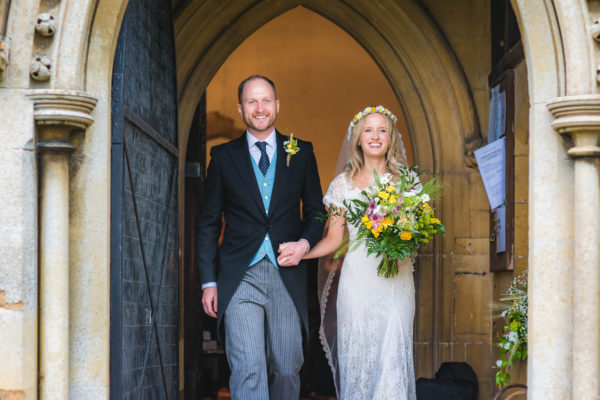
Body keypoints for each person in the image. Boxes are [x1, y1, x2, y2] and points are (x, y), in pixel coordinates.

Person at [195, 74, 325, 399]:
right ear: (240, 109)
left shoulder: (302, 152)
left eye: (266, 100)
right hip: (240, 276)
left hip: (287, 274)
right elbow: (209, 223)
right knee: (249, 369)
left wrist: (304, 244)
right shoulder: (223, 157)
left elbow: (316, 213)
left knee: (286, 367)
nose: (260, 107)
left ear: (277, 105)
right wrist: (208, 282)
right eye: (252, 101)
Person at [279, 106, 416, 399]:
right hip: (357, 286)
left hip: (396, 286)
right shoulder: (342, 185)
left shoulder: (408, 182)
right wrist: (300, 252)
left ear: (391, 138)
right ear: (357, 138)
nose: (375, 136)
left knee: (392, 359)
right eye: (368, 130)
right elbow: (333, 239)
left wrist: (401, 236)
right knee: (359, 362)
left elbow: (418, 234)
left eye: (382, 130)